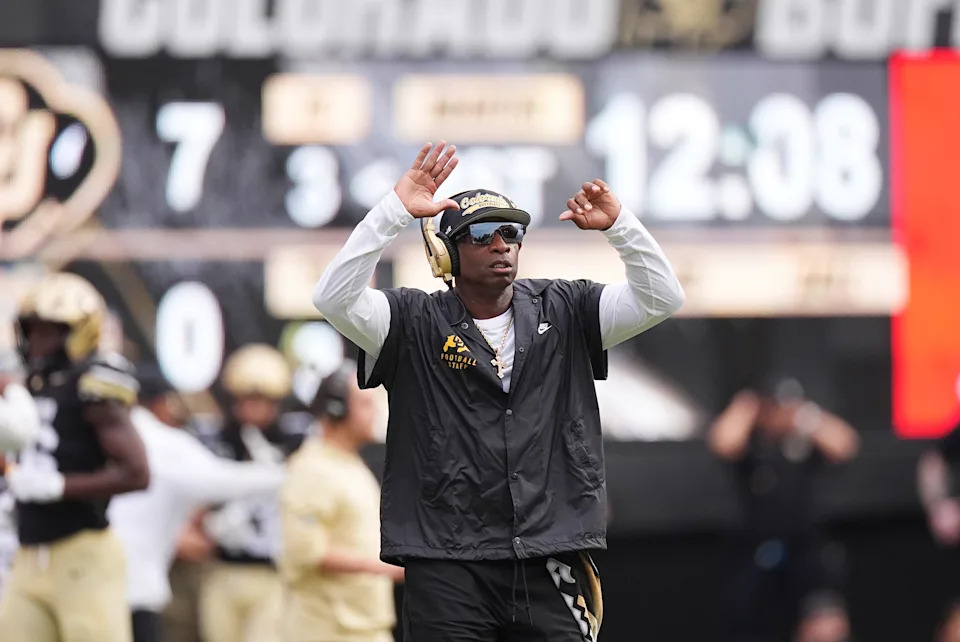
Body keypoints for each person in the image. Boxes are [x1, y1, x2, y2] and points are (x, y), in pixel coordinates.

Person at [312, 141, 685, 640]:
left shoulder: (566, 307)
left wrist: (621, 227)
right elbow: (332, 297)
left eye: (512, 232)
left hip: (550, 552)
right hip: (447, 561)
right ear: (446, 253)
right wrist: (394, 211)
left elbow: (663, 296)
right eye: (484, 233)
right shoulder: (411, 320)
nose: (502, 244)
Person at [0, 272, 150, 642]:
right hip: (28, 554)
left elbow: (137, 473)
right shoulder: (25, 385)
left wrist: (58, 485)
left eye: (50, 331)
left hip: (82, 552)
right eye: (32, 330)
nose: (37, 343)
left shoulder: (94, 383)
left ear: (81, 331)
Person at [108, 364, 285, 642]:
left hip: (91, 582)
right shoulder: (163, 442)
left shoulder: (104, 435)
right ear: (163, 403)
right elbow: (223, 481)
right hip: (135, 589)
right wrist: (288, 474)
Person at [708, 376, 860, 642]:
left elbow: (846, 444)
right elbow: (722, 442)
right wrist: (747, 407)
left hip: (806, 553)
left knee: (826, 627)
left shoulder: (806, 445)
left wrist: (807, 417)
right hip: (756, 553)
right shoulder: (751, 444)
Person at [280, 361, 403, 642]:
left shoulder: (349, 463)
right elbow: (307, 553)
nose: (374, 412)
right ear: (337, 409)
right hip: (327, 630)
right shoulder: (312, 469)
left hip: (364, 626)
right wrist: (391, 569)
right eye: (364, 403)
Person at [197, 343, 302, 642]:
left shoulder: (295, 442)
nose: (253, 409)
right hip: (222, 567)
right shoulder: (217, 442)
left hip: (272, 572)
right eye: (247, 400)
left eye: (261, 400)